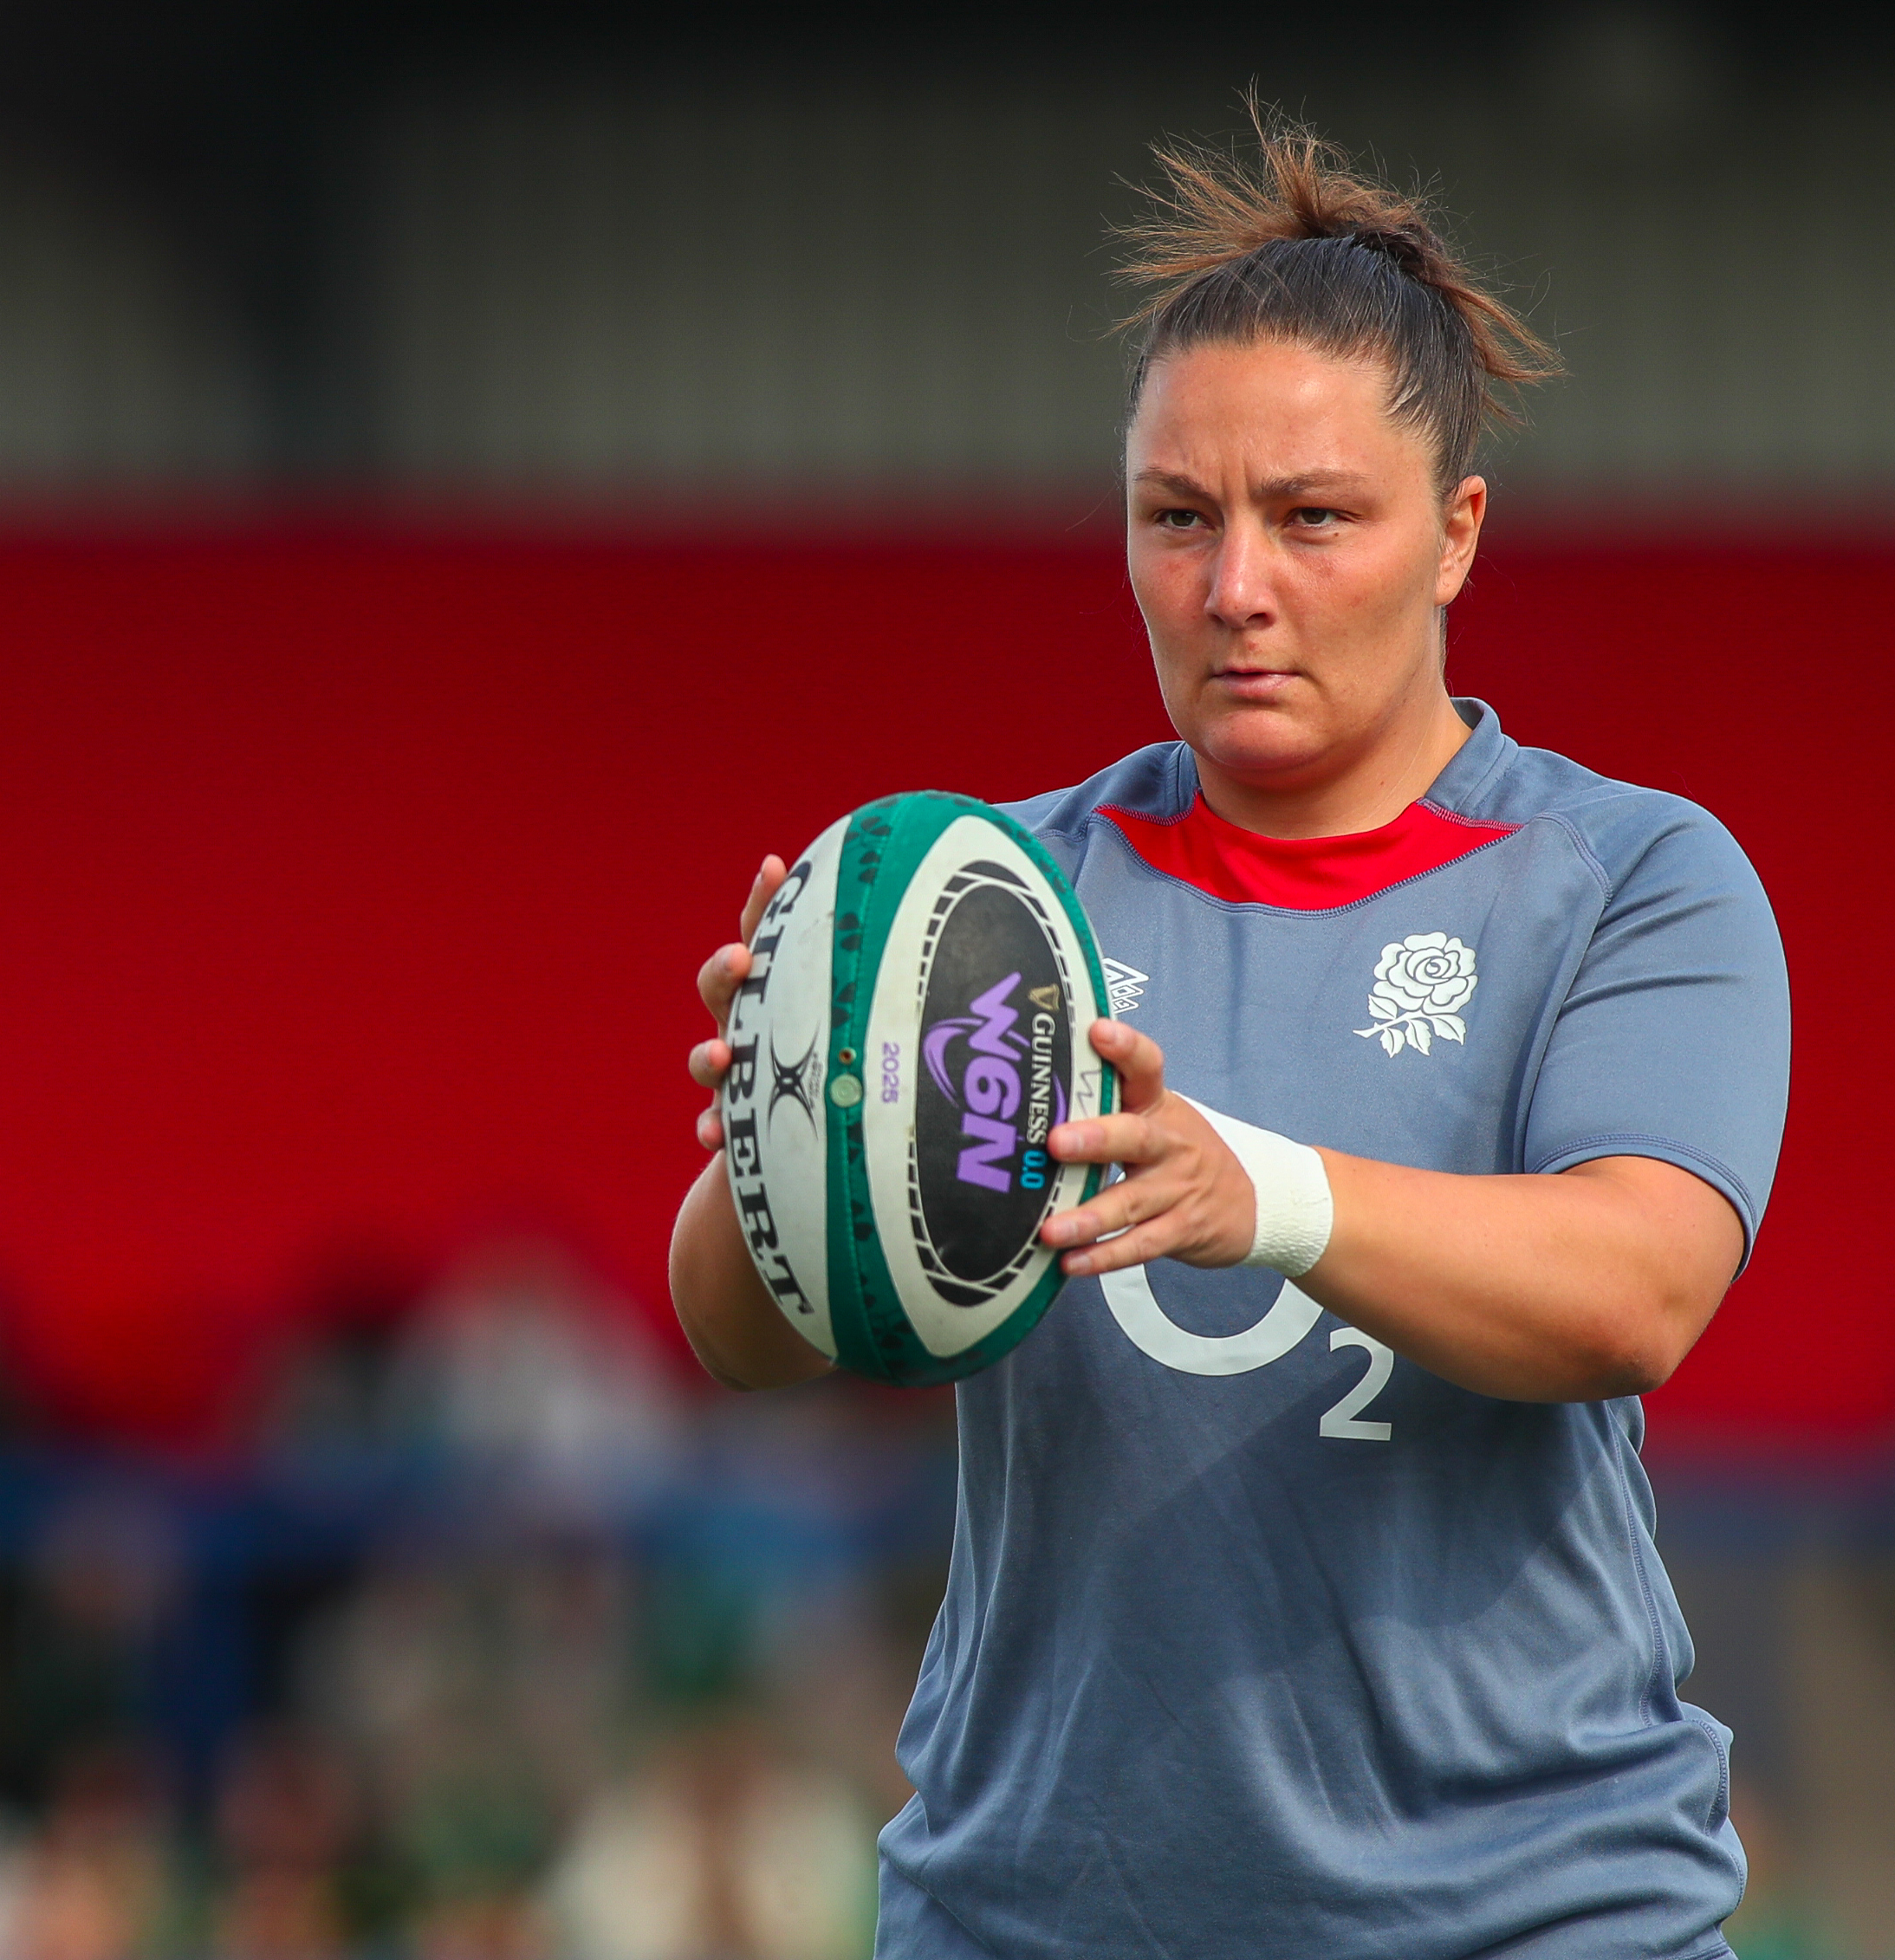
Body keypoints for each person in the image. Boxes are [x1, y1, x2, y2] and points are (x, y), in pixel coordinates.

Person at [666, 105, 1788, 1958]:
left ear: (1456, 536)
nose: (1234, 587)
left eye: (1314, 517)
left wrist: (1246, 1190)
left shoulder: (1624, 878)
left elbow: (1631, 1292)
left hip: (1530, 1920)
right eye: (1176, 518)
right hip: (1030, 1918)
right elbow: (741, 1337)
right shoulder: (989, 893)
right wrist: (785, 1128)